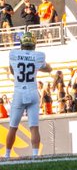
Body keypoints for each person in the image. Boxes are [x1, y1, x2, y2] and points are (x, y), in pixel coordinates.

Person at [5, 30, 46, 159]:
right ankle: (35, 155)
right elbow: (45, 67)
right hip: (33, 91)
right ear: (34, 44)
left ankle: (7, 155)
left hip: (19, 92)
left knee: (13, 127)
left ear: (22, 43)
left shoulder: (13, 53)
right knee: (34, 127)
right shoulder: (39, 56)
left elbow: (13, 71)